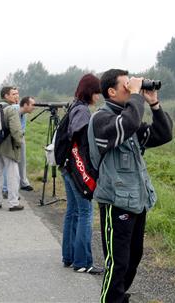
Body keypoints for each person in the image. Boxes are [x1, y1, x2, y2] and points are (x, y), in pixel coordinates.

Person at [88, 69, 173, 303]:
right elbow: (128, 123)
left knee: (133, 258)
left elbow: (163, 135)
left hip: (136, 200)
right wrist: (136, 96)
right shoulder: (102, 119)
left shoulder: (129, 117)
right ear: (112, 92)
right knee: (117, 263)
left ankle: (118, 298)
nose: (132, 88)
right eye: (127, 85)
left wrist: (154, 103)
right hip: (116, 202)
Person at [61, 74, 104, 275]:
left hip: (67, 166)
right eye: (97, 92)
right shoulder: (83, 112)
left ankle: (68, 257)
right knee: (85, 212)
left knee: (73, 211)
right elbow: (79, 137)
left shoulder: (73, 106)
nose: (99, 96)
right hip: (77, 169)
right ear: (90, 92)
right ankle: (83, 262)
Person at [0, 86, 24, 211]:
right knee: (13, 174)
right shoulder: (11, 110)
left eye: (17, 93)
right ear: (6, 96)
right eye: (13, 94)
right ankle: (13, 203)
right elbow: (16, 130)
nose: (16, 96)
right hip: (8, 147)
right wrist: (19, 143)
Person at [17, 96, 36, 191]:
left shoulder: (24, 114)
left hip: (20, 136)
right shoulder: (14, 112)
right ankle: (3, 187)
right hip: (10, 138)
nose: (34, 107)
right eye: (32, 105)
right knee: (8, 163)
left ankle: (23, 182)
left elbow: (22, 129)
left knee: (22, 160)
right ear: (25, 105)